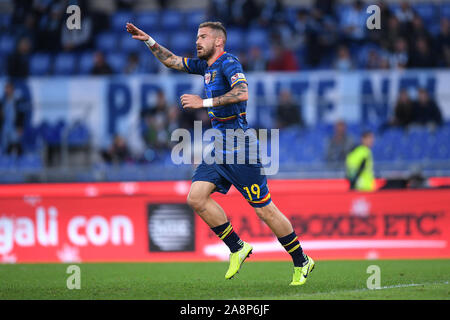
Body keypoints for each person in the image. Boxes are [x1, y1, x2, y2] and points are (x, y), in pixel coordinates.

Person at [127, 21, 315, 285]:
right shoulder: (206, 66)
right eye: (196, 36)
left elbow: (242, 92)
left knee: (264, 211)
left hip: (240, 146)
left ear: (218, 42)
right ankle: (238, 247)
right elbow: (172, 61)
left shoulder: (229, 63)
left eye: (202, 37)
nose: (197, 41)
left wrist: (203, 103)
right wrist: (149, 40)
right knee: (196, 198)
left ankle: (302, 260)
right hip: (219, 146)